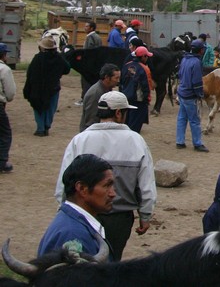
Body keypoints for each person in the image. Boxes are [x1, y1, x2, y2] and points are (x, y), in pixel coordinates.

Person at [55, 91, 156, 261]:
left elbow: (64, 183)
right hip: (119, 218)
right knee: (111, 262)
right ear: (119, 113)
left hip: (84, 214)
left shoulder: (80, 140)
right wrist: (145, 215)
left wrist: (64, 211)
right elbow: (146, 185)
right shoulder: (136, 141)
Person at [39, 154, 114, 257]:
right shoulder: (74, 236)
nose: (113, 193)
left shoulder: (70, 223)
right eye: (107, 186)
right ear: (82, 188)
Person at [23, 37, 71, 137]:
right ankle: (47, 126)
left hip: (38, 87)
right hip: (53, 87)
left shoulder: (38, 58)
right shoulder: (58, 57)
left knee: (38, 106)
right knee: (51, 107)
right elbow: (67, 69)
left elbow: (30, 72)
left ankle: (40, 128)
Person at [176, 39, 210, 152]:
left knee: (182, 118)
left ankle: (180, 141)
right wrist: (200, 94)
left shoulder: (185, 59)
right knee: (194, 120)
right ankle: (197, 143)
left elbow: (180, 74)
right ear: (201, 50)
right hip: (190, 95)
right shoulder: (196, 62)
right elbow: (196, 81)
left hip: (182, 92)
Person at [119, 46, 151, 133]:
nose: (147, 58)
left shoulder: (126, 65)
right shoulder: (144, 68)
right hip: (138, 101)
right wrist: (147, 99)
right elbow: (146, 86)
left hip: (125, 98)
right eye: (146, 56)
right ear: (143, 56)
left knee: (125, 124)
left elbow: (121, 82)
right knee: (134, 128)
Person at [80, 63, 120, 132]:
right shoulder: (96, 94)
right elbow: (92, 121)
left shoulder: (106, 89)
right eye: (116, 78)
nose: (118, 81)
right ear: (107, 78)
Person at [0, 43, 16, 173]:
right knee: (5, 134)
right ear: (4, 55)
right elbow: (10, 92)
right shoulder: (4, 69)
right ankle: (1, 162)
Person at [79, 21, 103, 101]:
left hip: (89, 64)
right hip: (96, 63)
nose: (85, 28)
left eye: (86, 26)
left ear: (91, 28)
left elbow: (88, 51)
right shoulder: (97, 37)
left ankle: (85, 99)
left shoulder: (90, 37)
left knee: (86, 81)